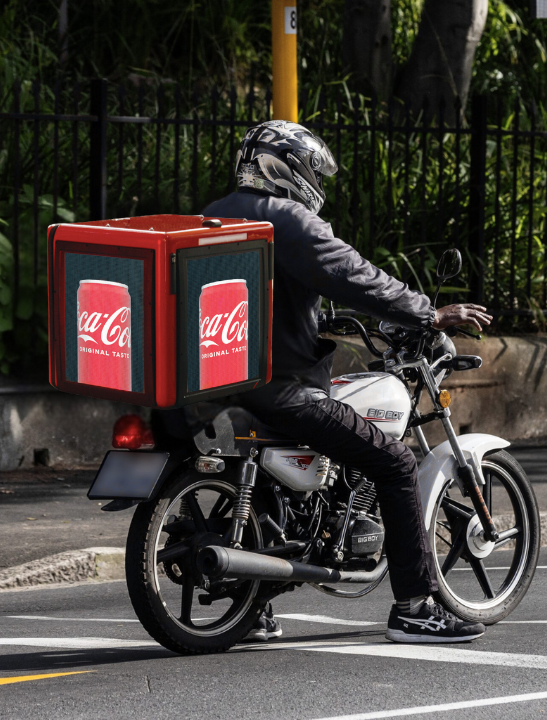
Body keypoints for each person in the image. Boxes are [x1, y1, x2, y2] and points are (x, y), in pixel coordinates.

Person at [201, 120, 493, 644]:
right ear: (286, 167)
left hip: (218, 384)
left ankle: (251, 606)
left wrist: (317, 318)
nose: (318, 183)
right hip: (282, 389)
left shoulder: (214, 215)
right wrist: (428, 313)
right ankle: (415, 608)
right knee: (396, 461)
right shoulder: (290, 220)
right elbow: (354, 274)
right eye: (313, 171)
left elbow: (258, 297)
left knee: (275, 479)